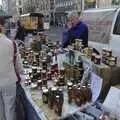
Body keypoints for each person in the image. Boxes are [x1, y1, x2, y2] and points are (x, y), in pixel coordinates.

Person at [0, 17, 22, 120]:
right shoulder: (11, 43)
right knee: (10, 109)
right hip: (9, 81)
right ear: (1, 26)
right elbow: (19, 67)